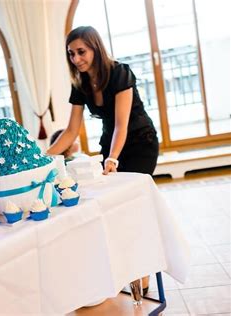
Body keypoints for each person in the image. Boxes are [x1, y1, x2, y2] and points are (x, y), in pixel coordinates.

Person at [47, 25, 158, 294]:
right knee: (115, 212)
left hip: (139, 143)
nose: (76, 59)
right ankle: (126, 269)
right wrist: (43, 159)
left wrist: (113, 159)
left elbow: (122, 124)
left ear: (95, 48)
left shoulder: (120, 73)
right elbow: (71, 131)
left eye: (81, 52)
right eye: (71, 54)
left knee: (133, 210)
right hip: (111, 146)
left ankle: (143, 273)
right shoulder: (80, 84)